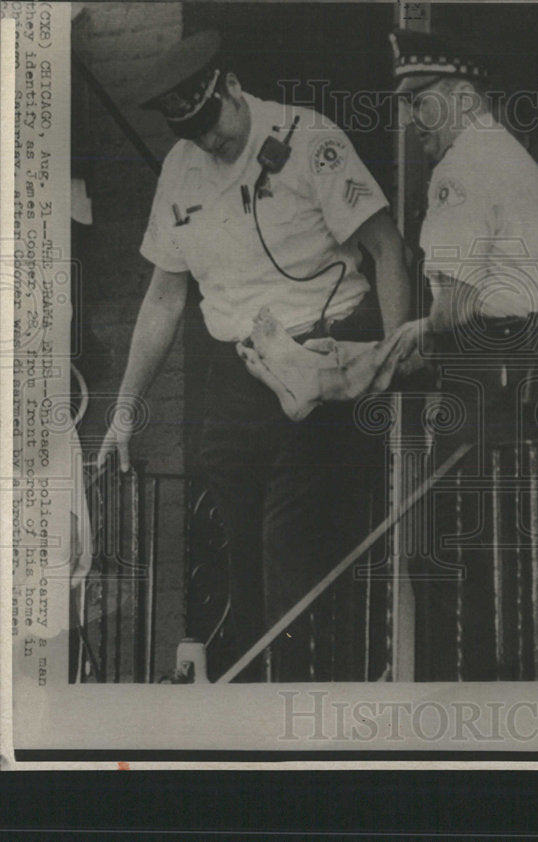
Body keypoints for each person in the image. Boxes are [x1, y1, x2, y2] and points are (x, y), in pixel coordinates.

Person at [97, 31, 411, 681]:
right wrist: (125, 411)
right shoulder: (182, 171)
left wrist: (393, 354)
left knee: (289, 543)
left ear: (232, 88)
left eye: (212, 122)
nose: (209, 142)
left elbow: (386, 250)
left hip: (320, 358)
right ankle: (250, 700)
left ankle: (298, 702)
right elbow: (162, 298)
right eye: (192, 132)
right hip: (238, 375)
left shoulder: (310, 142)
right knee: (234, 549)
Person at [386, 28, 538, 681]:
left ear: (462, 96)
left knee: (445, 557)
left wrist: (409, 337)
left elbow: (456, 307)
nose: (411, 119)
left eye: (419, 101)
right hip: (536, 375)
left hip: (493, 382)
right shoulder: (508, 156)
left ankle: (458, 728)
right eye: (405, 104)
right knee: (525, 564)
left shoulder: (462, 167)